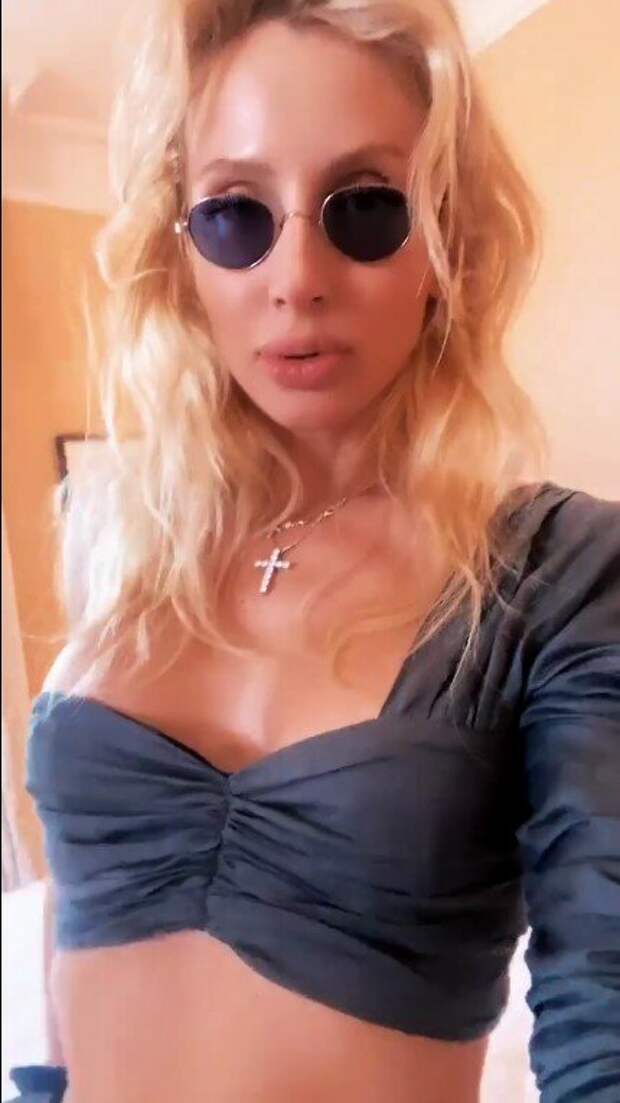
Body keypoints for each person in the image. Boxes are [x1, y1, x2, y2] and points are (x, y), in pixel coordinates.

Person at [10, 0, 620, 1101]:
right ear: (181, 255)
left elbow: (605, 1014)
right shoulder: (120, 542)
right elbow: (74, 912)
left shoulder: (557, 572)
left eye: (365, 207)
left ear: (444, 240)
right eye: (234, 213)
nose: (296, 274)